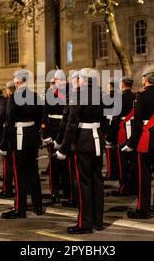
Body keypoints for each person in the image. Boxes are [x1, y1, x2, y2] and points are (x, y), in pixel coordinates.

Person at [55, 68, 106, 234]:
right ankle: (98, 220)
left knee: (83, 183)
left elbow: (72, 124)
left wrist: (63, 148)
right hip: (97, 140)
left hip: (83, 141)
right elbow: (106, 119)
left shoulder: (78, 95)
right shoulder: (101, 94)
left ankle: (85, 223)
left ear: (83, 80)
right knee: (97, 181)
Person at [122, 69, 154, 219]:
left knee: (145, 175)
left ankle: (143, 209)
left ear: (145, 80)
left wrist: (131, 143)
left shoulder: (142, 96)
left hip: (146, 139)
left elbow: (137, 122)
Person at [0, 70, 43, 219]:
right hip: (32, 136)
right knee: (33, 172)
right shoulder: (35, 96)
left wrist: (4, 144)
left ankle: (20, 208)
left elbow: (9, 122)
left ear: (17, 82)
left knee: (19, 175)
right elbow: (39, 119)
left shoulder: (14, 97)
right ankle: (38, 206)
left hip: (19, 137)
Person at [42, 70, 69, 204]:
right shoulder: (50, 94)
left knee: (66, 164)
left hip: (66, 132)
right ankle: (55, 191)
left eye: (63, 80)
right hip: (53, 132)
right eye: (59, 80)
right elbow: (44, 114)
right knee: (54, 165)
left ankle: (67, 190)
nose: (62, 82)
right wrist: (45, 134)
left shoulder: (70, 93)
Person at [54, 71, 80, 208]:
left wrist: (60, 142)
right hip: (90, 139)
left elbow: (68, 122)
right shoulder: (95, 95)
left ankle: (73, 198)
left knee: (72, 172)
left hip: (74, 140)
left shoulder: (74, 96)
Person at [107, 76, 136, 196]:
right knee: (133, 160)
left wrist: (109, 137)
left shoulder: (120, 98)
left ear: (123, 84)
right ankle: (134, 186)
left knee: (122, 162)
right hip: (133, 130)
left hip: (122, 130)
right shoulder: (135, 97)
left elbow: (115, 119)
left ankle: (124, 187)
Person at [0, 81, 15, 199]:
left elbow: (0, 120)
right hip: (21, 136)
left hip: (8, 137)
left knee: (7, 166)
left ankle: (7, 190)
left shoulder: (5, 102)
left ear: (8, 90)